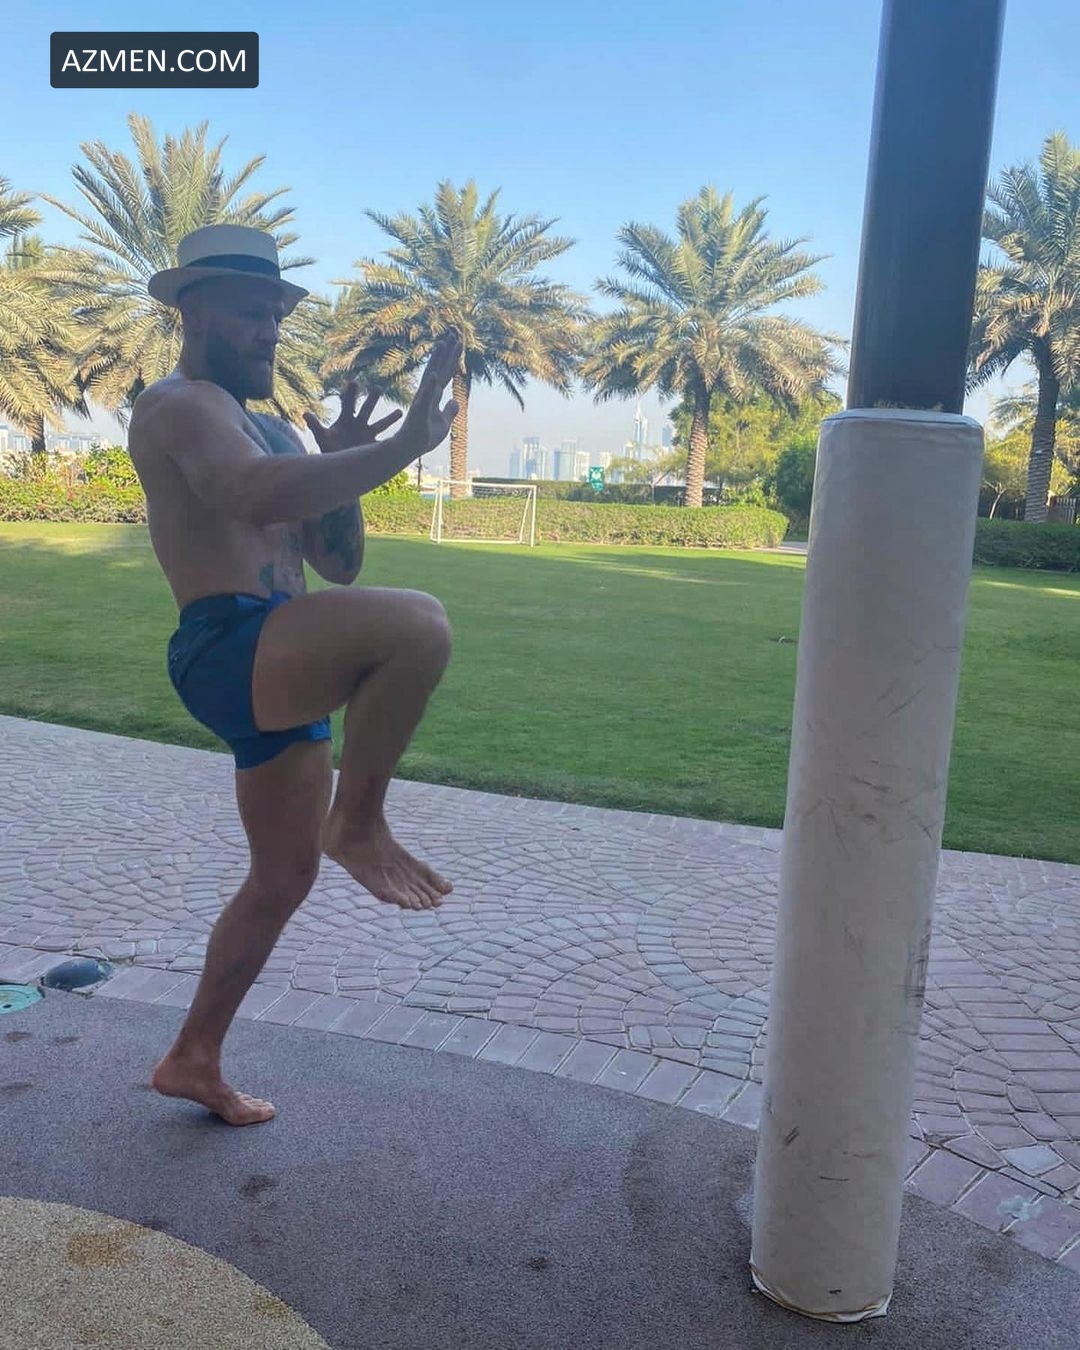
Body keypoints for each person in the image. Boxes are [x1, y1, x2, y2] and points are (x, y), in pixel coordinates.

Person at [128, 224, 462, 1125]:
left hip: (283, 657)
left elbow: (338, 565)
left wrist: (335, 471)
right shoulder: (177, 405)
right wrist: (402, 448)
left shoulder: (272, 427)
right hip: (228, 644)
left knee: (282, 877)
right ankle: (358, 821)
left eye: (276, 315)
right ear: (194, 312)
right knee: (420, 625)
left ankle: (192, 1058)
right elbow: (248, 493)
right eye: (251, 313)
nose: (270, 332)